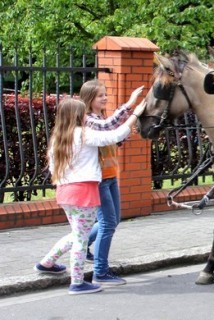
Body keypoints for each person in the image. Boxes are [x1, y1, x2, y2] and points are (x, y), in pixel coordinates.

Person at [35, 98, 145, 295]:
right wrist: (135, 114)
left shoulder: (58, 137)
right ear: (78, 116)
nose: (86, 116)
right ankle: (77, 282)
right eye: (83, 113)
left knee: (77, 234)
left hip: (65, 192)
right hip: (84, 192)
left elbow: (53, 168)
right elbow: (115, 135)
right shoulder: (83, 134)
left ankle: (47, 263)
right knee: (80, 240)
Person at [80, 80, 143, 286]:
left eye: (105, 94)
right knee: (107, 224)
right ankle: (100, 271)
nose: (105, 98)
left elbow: (109, 139)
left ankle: (82, 244)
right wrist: (132, 104)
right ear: (89, 99)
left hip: (110, 176)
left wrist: (121, 138)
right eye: (100, 95)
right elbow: (108, 128)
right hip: (99, 180)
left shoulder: (99, 116)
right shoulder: (88, 119)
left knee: (112, 221)